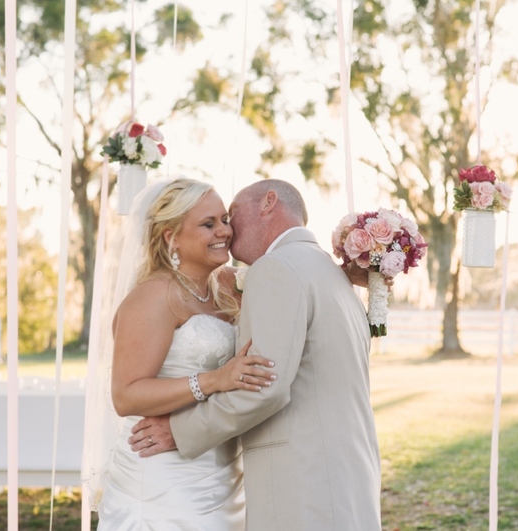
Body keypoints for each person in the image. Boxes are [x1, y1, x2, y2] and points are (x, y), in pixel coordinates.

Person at [129, 179, 382, 531]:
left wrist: (179, 430)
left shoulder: (277, 268)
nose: (227, 231)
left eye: (230, 215)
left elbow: (265, 386)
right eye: (212, 223)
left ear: (268, 203)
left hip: (302, 480)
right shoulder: (332, 273)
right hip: (347, 474)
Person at [89, 178, 278, 530]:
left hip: (221, 468)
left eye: (224, 219)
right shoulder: (153, 297)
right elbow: (126, 396)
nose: (225, 230)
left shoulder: (229, 286)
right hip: (162, 473)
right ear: (171, 236)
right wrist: (213, 380)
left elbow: (288, 283)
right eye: (208, 224)